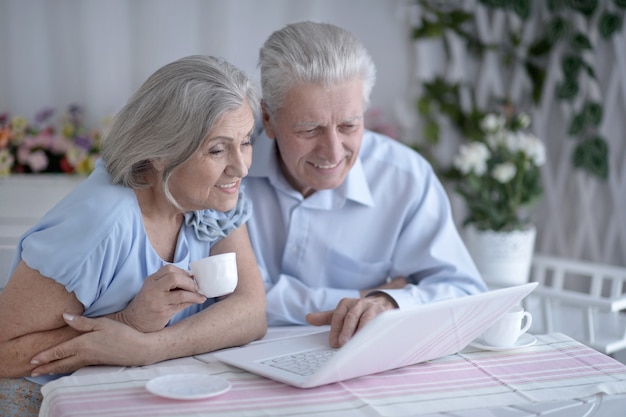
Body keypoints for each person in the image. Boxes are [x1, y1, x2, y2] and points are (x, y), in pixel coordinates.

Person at [0, 55, 267, 416]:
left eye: (246, 142)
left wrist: (151, 346)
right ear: (160, 151)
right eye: (217, 149)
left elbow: (251, 311)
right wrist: (128, 322)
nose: (241, 166)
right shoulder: (102, 222)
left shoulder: (215, 194)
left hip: (143, 388)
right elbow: (5, 353)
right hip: (45, 399)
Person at [243, 21, 487, 348]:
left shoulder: (405, 177)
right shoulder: (228, 170)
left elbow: (465, 293)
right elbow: (224, 298)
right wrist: (359, 297)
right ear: (269, 118)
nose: (332, 151)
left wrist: (388, 303)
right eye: (309, 129)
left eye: (348, 125)